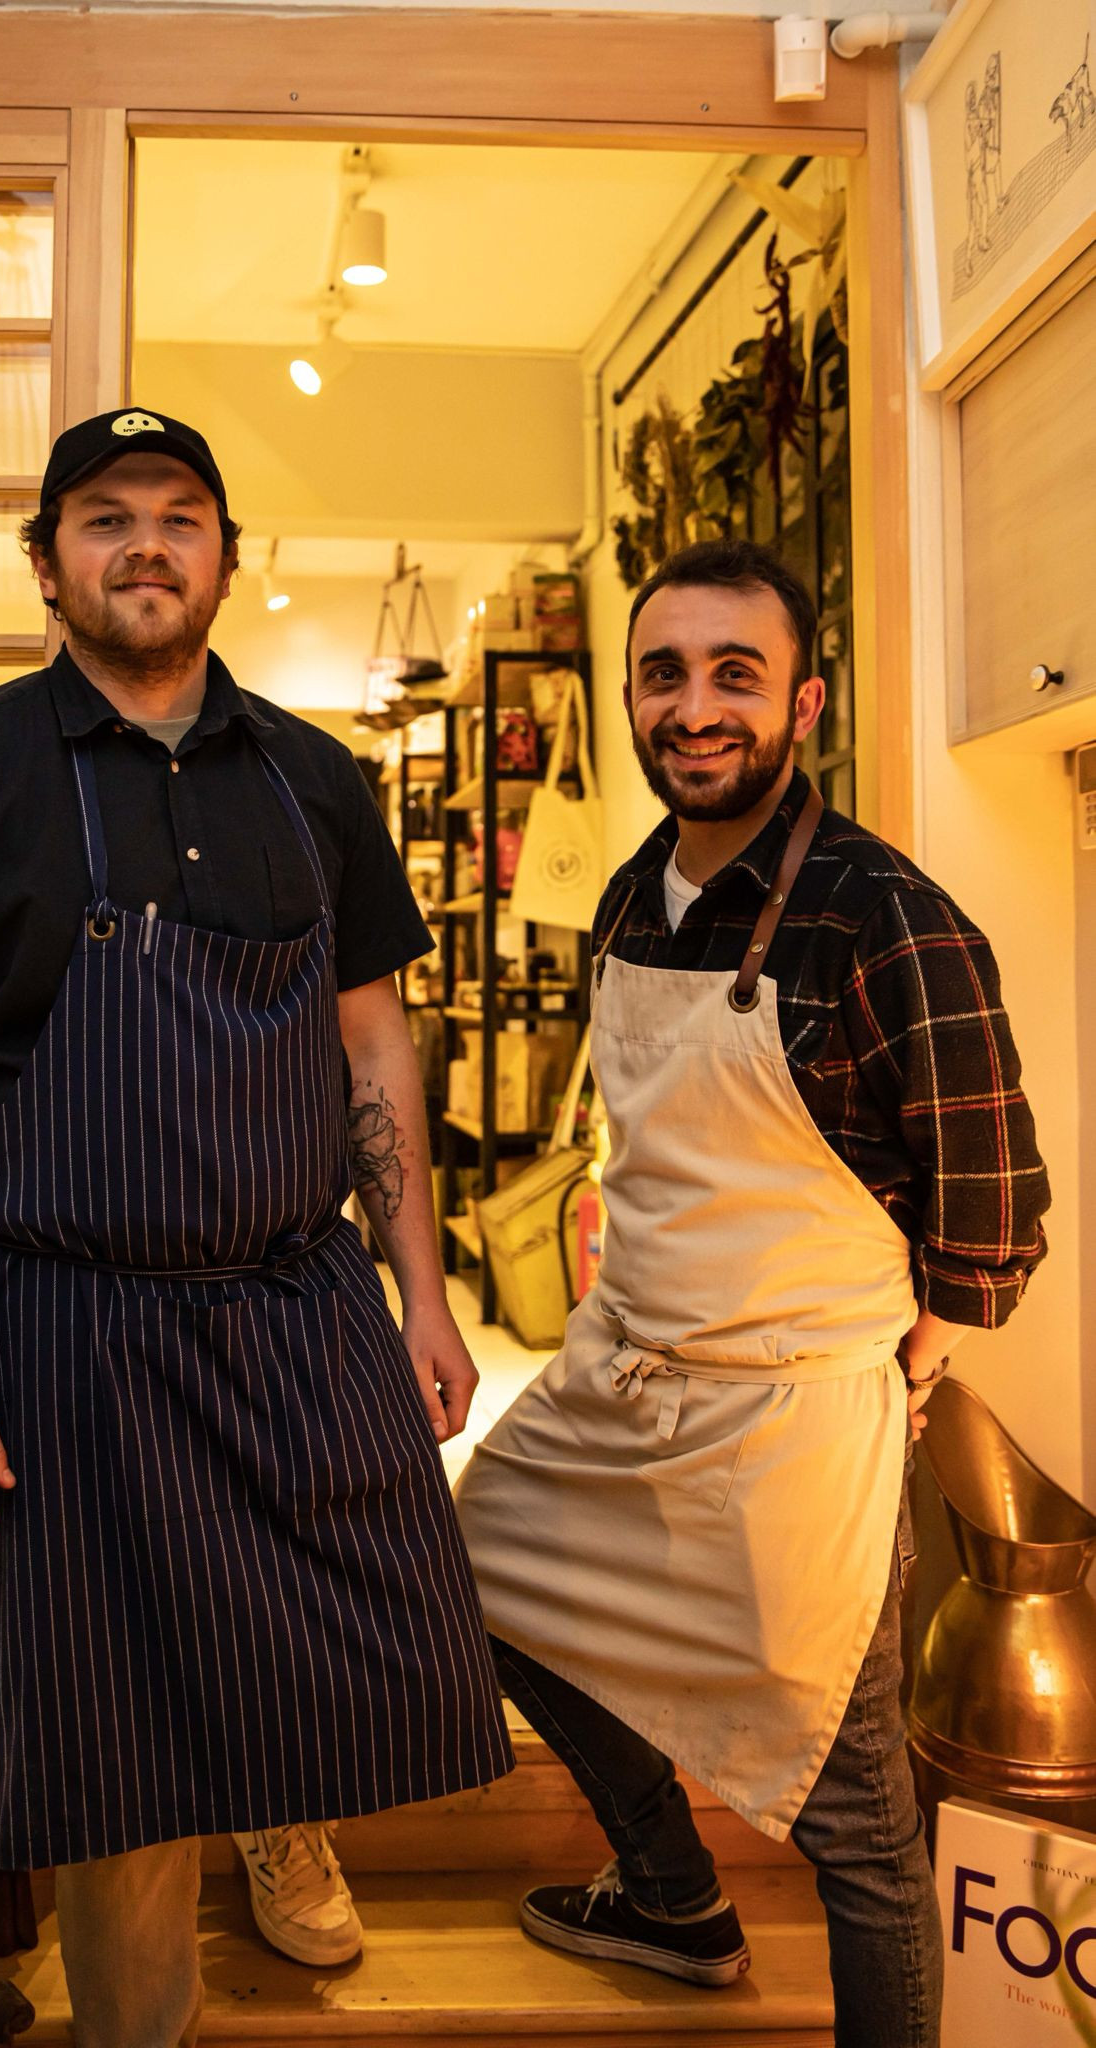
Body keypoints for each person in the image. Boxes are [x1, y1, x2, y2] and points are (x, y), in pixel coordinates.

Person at [0, 408, 512, 2047]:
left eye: (182, 514)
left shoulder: (314, 780)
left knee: (343, 1649)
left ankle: (286, 1825)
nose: (146, 543)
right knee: (109, 1741)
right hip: (64, 1324)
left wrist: (421, 1290)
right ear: (48, 562)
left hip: (292, 1307)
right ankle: (138, 2025)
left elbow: (372, 1047)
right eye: (105, 517)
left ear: (224, 552)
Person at [454, 539, 1049, 2048]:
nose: (695, 706)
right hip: (627, 1377)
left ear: (804, 702)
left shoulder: (884, 917)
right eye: (664, 672)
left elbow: (994, 1211)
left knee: (855, 1826)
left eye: (735, 673)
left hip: (795, 1425)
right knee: (471, 1583)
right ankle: (669, 1896)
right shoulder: (628, 906)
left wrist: (900, 1355)